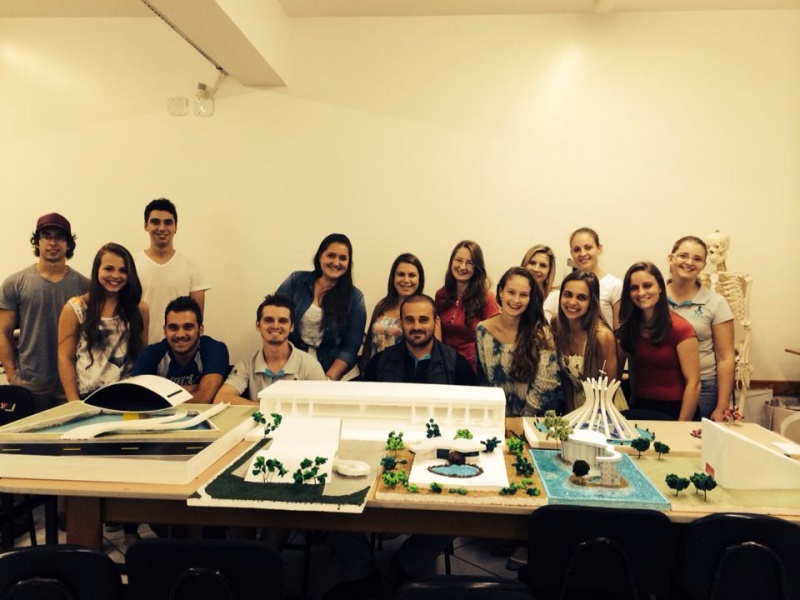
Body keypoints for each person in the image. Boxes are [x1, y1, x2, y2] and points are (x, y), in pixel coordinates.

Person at [0, 213, 90, 412]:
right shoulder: (15, 283)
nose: (52, 243)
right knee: (27, 433)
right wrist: (12, 375)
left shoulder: (84, 287)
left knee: (72, 432)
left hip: (71, 382)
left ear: (68, 244)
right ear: (37, 241)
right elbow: (3, 332)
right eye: (46, 236)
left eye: (59, 237)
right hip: (29, 382)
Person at [57, 243, 149, 401]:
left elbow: (143, 354)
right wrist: (74, 402)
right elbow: (65, 359)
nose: (115, 275)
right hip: (88, 397)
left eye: (123, 270)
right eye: (108, 269)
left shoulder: (140, 309)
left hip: (129, 396)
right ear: (97, 270)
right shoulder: (75, 308)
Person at [617, 262, 701, 421]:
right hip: (640, 407)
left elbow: (694, 383)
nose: (641, 292)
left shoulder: (681, 328)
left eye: (647, 286)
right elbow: (632, 369)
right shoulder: (629, 328)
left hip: (676, 410)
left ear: (660, 288)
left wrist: (681, 426)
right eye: (634, 288)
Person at [276, 233, 366, 381]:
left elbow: (350, 348)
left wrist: (327, 380)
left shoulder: (355, 298)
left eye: (343, 258)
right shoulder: (296, 281)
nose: (336, 262)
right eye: (331, 255)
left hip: (340, 377)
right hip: (297, 370)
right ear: (320, 256)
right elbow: (276, 319)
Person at [475, 267, 561, 416]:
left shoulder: (542, 334)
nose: (516, 300)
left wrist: (521, 421)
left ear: (530, 298)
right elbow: (484, 382)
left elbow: (546, 385)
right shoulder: (482, 330)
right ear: (501, 292)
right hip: (496, 416)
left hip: (533, 419)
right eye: (511, 292)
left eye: (523, 295)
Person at [666, 236, 735, 421]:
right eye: (683, 256)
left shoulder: (716, 303)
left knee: (694, 437)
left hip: (703, 388)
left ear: (704, 265)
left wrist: (722, 406)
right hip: (662, 386)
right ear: (670, 258)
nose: (689, 262)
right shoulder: (652, 297)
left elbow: (725, 358)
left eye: (697, 259)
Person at [214, 294, 325, 405]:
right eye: (268, 320)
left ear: (291, 327)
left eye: (282, 321)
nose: (275, 326)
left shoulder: (310, 366)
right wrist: (265, 408)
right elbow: (221, 398)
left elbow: (324, 405)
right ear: (258, 325)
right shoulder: (246, 365)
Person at [131, 296, 229, 403]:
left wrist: (158, 391)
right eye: (173, 328)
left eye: (188, 327)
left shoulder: (215, 350)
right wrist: (194, 388)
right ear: (165, 331)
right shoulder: (151, 353)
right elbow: (136, 395)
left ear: (200, 330)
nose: (180, 334)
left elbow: (203, 398)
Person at [138, 198, 210, 344]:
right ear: (145, 225)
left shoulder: (191, 267)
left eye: (168, 222)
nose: (162, 228)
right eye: (155, 222)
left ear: (175, 227)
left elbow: (197, 318)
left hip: (180, 349)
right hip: (140, 349)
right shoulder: (132, 265)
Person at [552, 270, 626, 411]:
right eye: (568, 294)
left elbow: (608, 391)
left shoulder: (602, 336)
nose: (572, 302)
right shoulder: (557, 323)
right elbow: (566, 378)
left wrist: (592, 418)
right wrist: (570, 412)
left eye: (581, 297)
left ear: (592, 302)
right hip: (575, 407)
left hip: (604, 409)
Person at [363, 294, 475, 385]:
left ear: (436, 322)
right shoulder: (379, 363)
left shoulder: (457, 365)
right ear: (401, 323)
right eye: (409, 320)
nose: (416, 327)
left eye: (423, 320)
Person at [435, 240, 499, 372]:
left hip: (474, 370)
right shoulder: (441, 295)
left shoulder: (486, 298)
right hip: (446, 366)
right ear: (451, 262)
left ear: (477, 267)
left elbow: (495, 340)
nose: (463, 267)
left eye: (470, 263)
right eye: (458, 260)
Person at [360, 253, 425, 370]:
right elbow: (370, 346)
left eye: (412, 275)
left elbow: (433, 351)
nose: (406, 280)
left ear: (419, 280)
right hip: (376, 372)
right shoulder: (382, 305)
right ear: (393, 278)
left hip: (405, 375)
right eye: (401, 274)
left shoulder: (425, 310)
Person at [569, 227, 622, 328]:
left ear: (599, 248)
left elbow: (618, 330)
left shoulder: (614, 285)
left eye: (588, 248)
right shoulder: (569, 286)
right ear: (571, 253)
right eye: (577, 249)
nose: (582, 253)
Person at [521, 244, 559, 322]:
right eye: (532, 263)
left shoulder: (556, 297)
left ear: (549, 271)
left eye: (543, 265)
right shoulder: (513, 294)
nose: (536, 269)